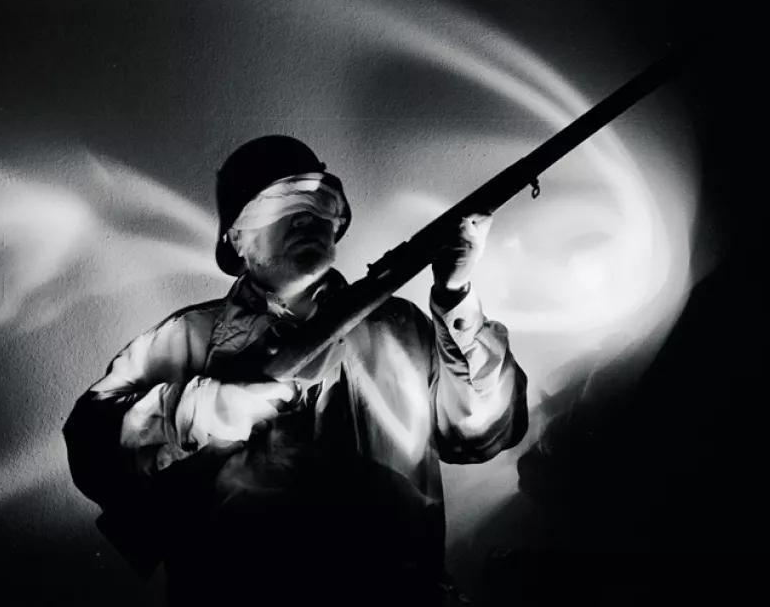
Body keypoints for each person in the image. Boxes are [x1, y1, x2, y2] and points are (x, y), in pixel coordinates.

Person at [63, 135, 528, 607]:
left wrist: (455, 297)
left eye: (321, 201)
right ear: (236, 238)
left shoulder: (403, 327)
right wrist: (196, 408)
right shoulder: (186, 338)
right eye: (280, 204)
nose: (307, 218)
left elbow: (481, 436)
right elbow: (90, 447)